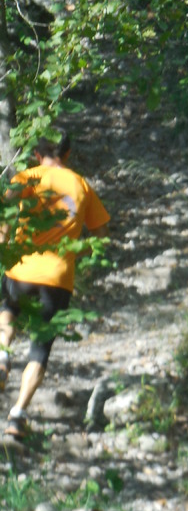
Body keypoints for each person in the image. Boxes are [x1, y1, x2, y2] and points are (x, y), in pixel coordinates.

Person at [0, 128, 110, 441]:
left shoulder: (26, 178)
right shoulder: (81, 185)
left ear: (37, 154)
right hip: (58, 279)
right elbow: (101, 236)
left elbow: (3, 217)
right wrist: (77, 252)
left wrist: (4, 242)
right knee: (40, 349)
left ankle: (3, 358)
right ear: (68, 153)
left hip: (20, 268)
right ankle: (17, 415)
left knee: (7, 313)